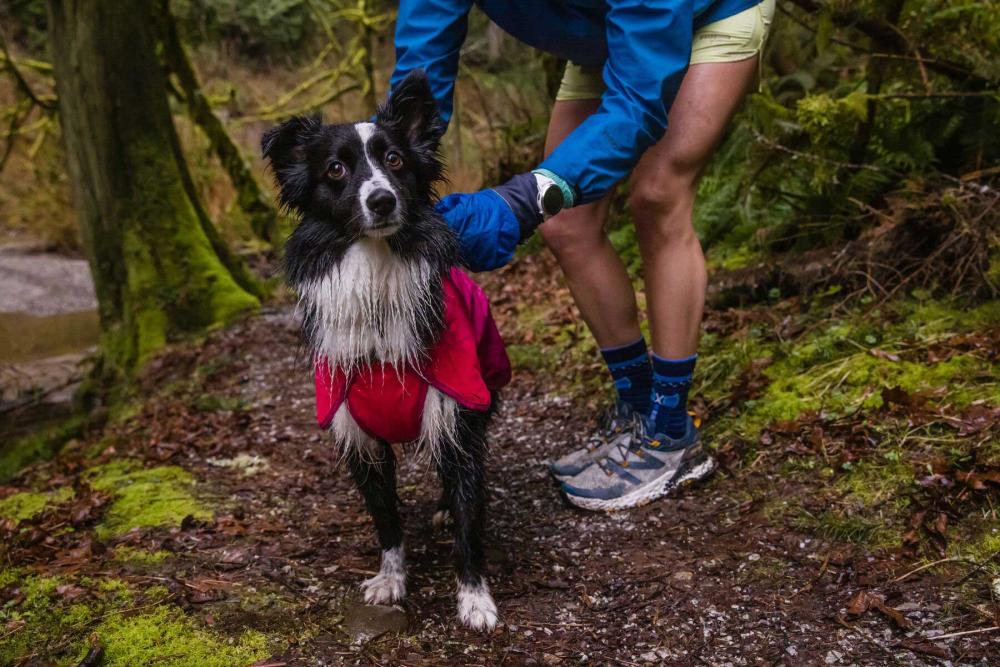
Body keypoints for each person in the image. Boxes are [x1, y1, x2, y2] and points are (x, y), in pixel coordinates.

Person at [389, 0, 774, 511]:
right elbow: (425, 50)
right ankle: (639, 406)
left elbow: (637, 102)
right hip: (604, 38)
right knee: (569, 223)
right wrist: (392, 165)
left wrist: (524, 199)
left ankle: (670, 430)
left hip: (708, 17)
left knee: (658, 195)